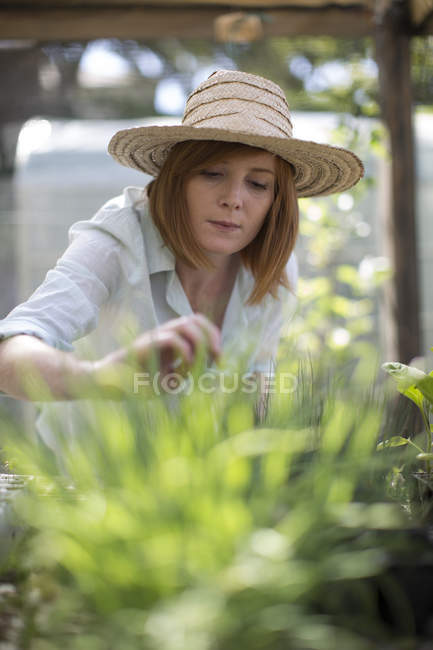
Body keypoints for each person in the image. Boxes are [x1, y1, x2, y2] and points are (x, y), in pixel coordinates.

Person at [0, 69, 363, 419]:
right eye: (212, 173)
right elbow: (9, 353)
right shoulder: (119, 237)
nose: (234, 199)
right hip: (82, 476)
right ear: (178, 178)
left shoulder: (274, 268)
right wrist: (103, 377)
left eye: (258, 184)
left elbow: (255, 383)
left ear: (276, 199)